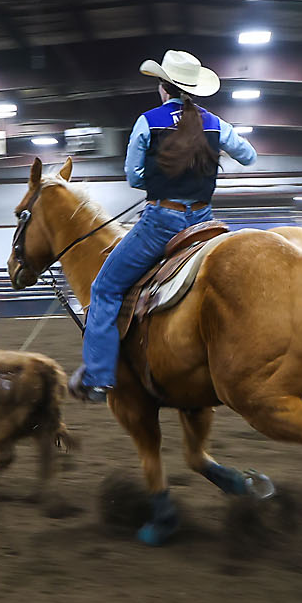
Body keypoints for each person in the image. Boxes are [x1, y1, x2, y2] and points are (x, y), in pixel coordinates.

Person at [67, 50, 257, 403]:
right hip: (204, 221)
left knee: (105, 288)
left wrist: (159, 177)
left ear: (162, 87)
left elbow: (134, 176)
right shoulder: (215, 123)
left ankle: (98, 376)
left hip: (161, 222)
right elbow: (249, 156)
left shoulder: (148, 121)